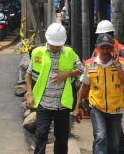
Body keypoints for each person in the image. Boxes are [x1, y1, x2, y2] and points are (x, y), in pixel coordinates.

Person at [26, 23, 84, 154]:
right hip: (43, 102)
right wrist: (30, 94)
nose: (55, 47)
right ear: (47, 40)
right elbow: (29, 74)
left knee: (62, 138)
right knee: (41, 135)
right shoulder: (37, 52)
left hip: (62, 103)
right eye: (53, 45)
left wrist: (66, 74)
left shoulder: (70, 52)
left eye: (58, 45)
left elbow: (81, 69)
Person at [73, 33, 124, 154]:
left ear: (112, 48)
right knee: (100, 137)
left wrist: (117, 65)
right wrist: (77, 107)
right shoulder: (90, 64)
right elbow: (84, 86)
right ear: (97, 47)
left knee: (114, 144)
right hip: (97, 108)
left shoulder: (121, 62)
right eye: (102, 47)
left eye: (108, 47)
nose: (105, 50)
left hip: (115, 109)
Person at [91, 20, 124, 154]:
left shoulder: (121, 51)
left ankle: (119, 150)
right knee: (103, 132)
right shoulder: (98, 49)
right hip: (101, 94)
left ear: (112, 34)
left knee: (113, 127)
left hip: (118, 92)